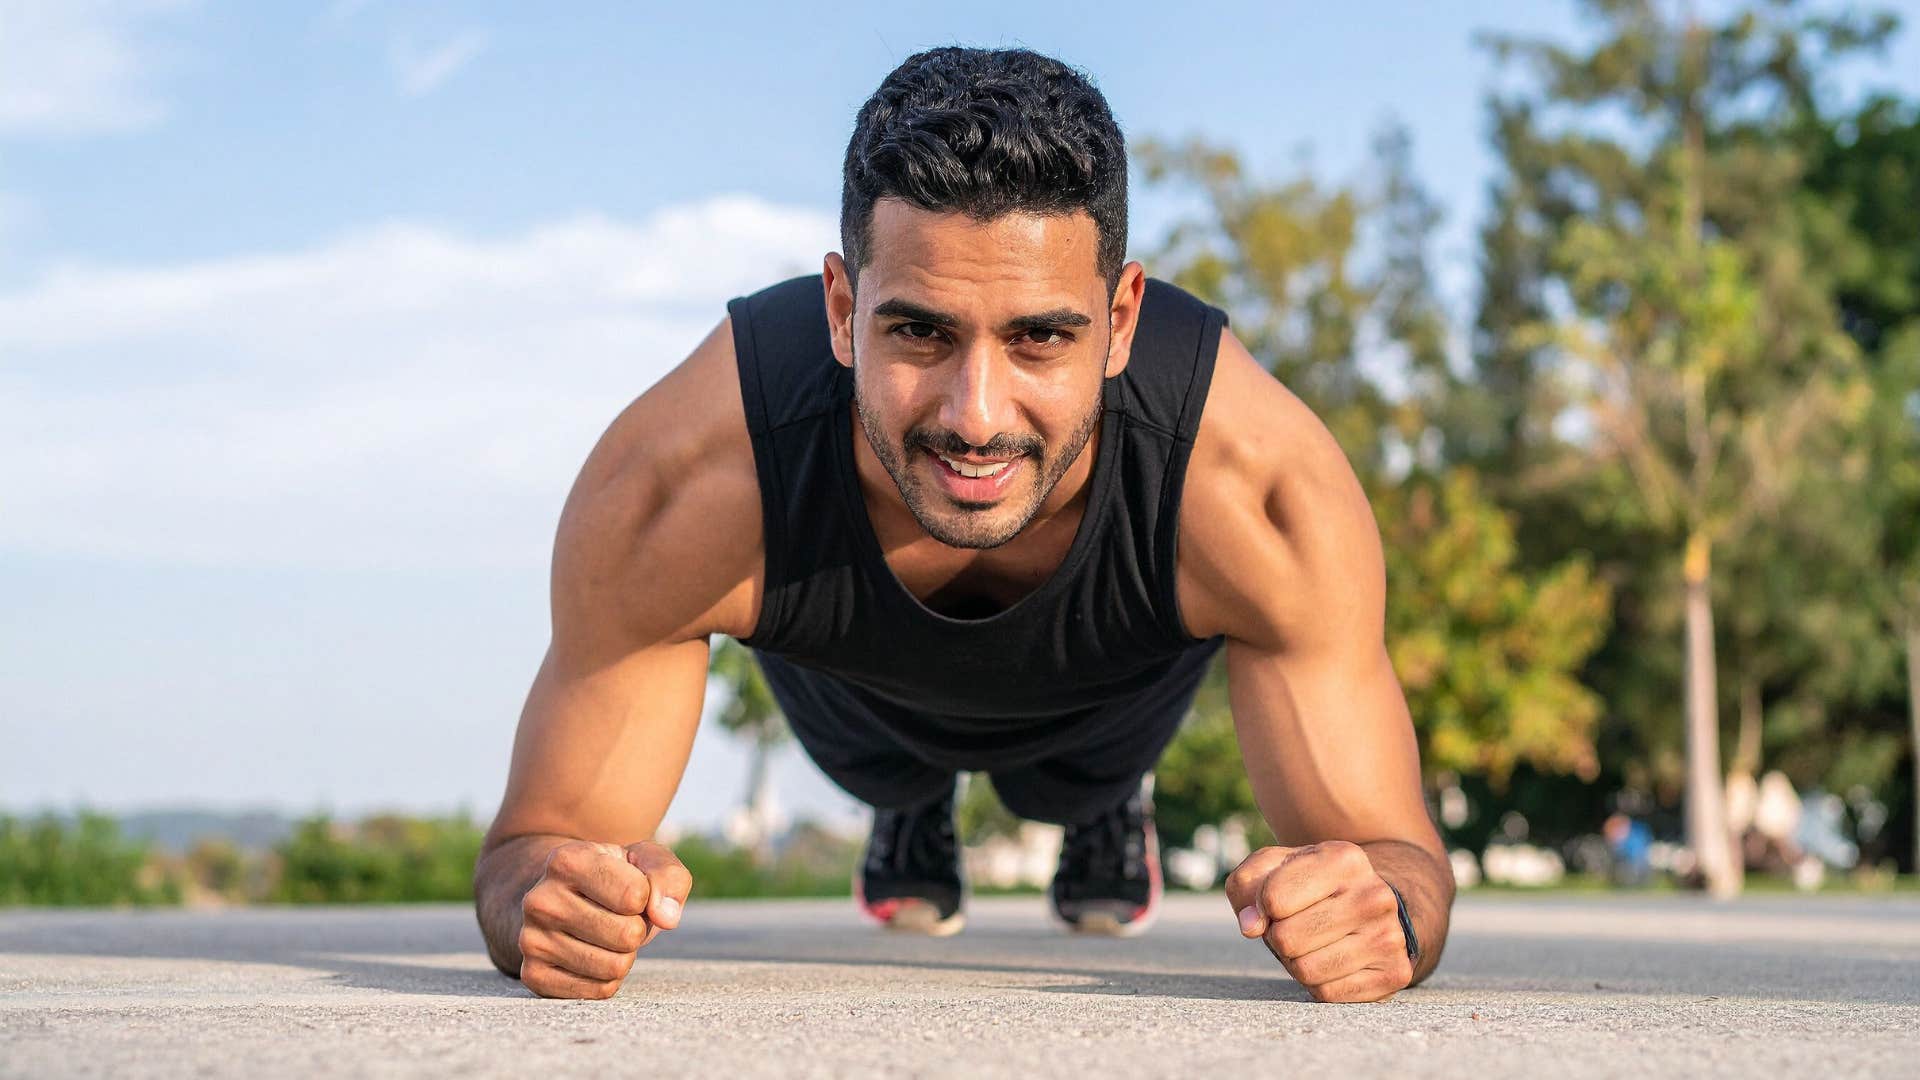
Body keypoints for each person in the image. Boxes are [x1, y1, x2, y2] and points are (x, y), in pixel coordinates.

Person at [473, 45, 1453, 1004]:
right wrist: (554, 904)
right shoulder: (690, 481)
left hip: (1105, 706)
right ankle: (910, 808)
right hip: (860, 705)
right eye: (920, 332)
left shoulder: (1251, 486)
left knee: (1068, 788)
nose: (974, 417)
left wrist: (1380, 916)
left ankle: (1109, 807)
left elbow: (1396, 854)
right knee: (888, 770)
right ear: (842, 308)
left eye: (1039, 338)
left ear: (1119, 324)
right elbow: (534, 846)